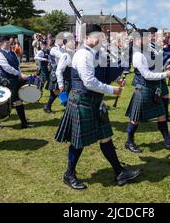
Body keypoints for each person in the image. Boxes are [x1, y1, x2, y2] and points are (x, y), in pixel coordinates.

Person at [55, 24, 141, 189]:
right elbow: (89, 81)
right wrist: (112, 90)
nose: (100, 40)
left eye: (102, 37)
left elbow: (101, 73)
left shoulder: (95, 54)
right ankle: (69, 174)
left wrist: (116, 79)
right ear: (86, 37)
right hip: (82, 102)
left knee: (105, 137)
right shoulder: (82, 55)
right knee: (78, 142)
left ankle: (120, 172)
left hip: (94, 102)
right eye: (97, 37)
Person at [124, 29, 170, 153]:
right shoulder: (138, 55)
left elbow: (155, 67)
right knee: (135, 118)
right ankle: (129, 141)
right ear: (138, 40)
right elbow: (147, 75)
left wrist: (166, 65)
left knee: (162, 115)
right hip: (143, 88)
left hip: (154, 88)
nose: (149, 39)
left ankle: (168, 141)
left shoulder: (148, 52)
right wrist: (165, 74)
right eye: (146, 38)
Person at [0, 36, 35, 130]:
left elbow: (17, 65)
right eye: (6, 42)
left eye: (9, 42)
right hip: (3, 80)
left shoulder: (12, 53)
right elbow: (6, 67)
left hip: (13, 80)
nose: (8, 44)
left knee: (18, 101)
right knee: (1, 102)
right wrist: (19, 74)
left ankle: (24, 123)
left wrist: (20, 73)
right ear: (0, 44)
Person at [43, 37, 65, 113]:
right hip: (55, 72)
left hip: (62, 71)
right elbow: (63, 56)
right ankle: (47, 106)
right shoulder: (54, 49)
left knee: (57, 91)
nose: (64, 41)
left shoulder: (61, 48)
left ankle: (47, 106)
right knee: (56, 91)